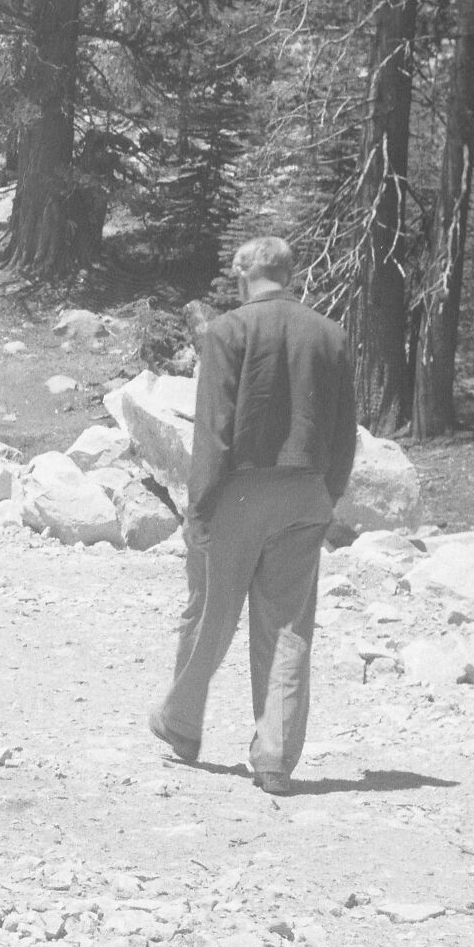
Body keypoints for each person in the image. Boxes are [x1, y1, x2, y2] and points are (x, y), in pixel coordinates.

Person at [149, 236, 357, 797]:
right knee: (288, 629)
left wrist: (199, 507)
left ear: (243, 275)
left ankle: (182, 724)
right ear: (288, 275)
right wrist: (327, 495)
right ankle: (274, 760)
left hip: (239, 492)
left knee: (210, 615)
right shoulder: (330, 333)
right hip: (307, 492)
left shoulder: (227, 331)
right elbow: (343, 431)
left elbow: (212, 431)